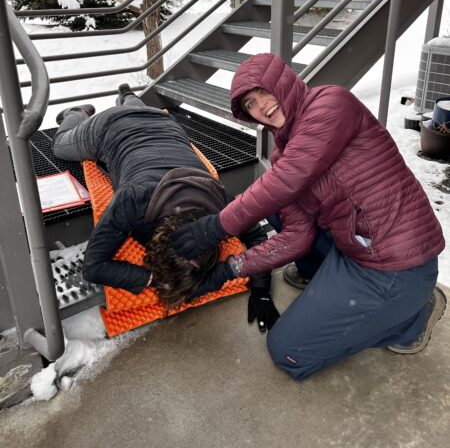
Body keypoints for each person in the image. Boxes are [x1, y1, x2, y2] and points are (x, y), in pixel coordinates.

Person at [171, 52, 447, 381]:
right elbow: (296, 235)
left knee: (288, 352)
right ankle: (321, 277)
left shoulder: (331, 103)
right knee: (275, 206)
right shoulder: (284, 153)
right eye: (249, 105)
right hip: (357, 248)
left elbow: (288, 178)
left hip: (397, 267)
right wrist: (230, 269)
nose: (260, 106)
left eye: (262, 92)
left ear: (281, 80)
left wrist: (216, 226)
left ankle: (410, 320)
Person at [52, 84, 279, 330]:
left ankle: (128, 97)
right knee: (60, 143)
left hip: (162, 123)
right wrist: (151, 278)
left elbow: (256, 236)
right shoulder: (134, 200)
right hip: (109, 128)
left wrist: (261, 289)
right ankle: (77, 112)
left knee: (139, 112)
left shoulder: (220, 204)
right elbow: (93, 268)